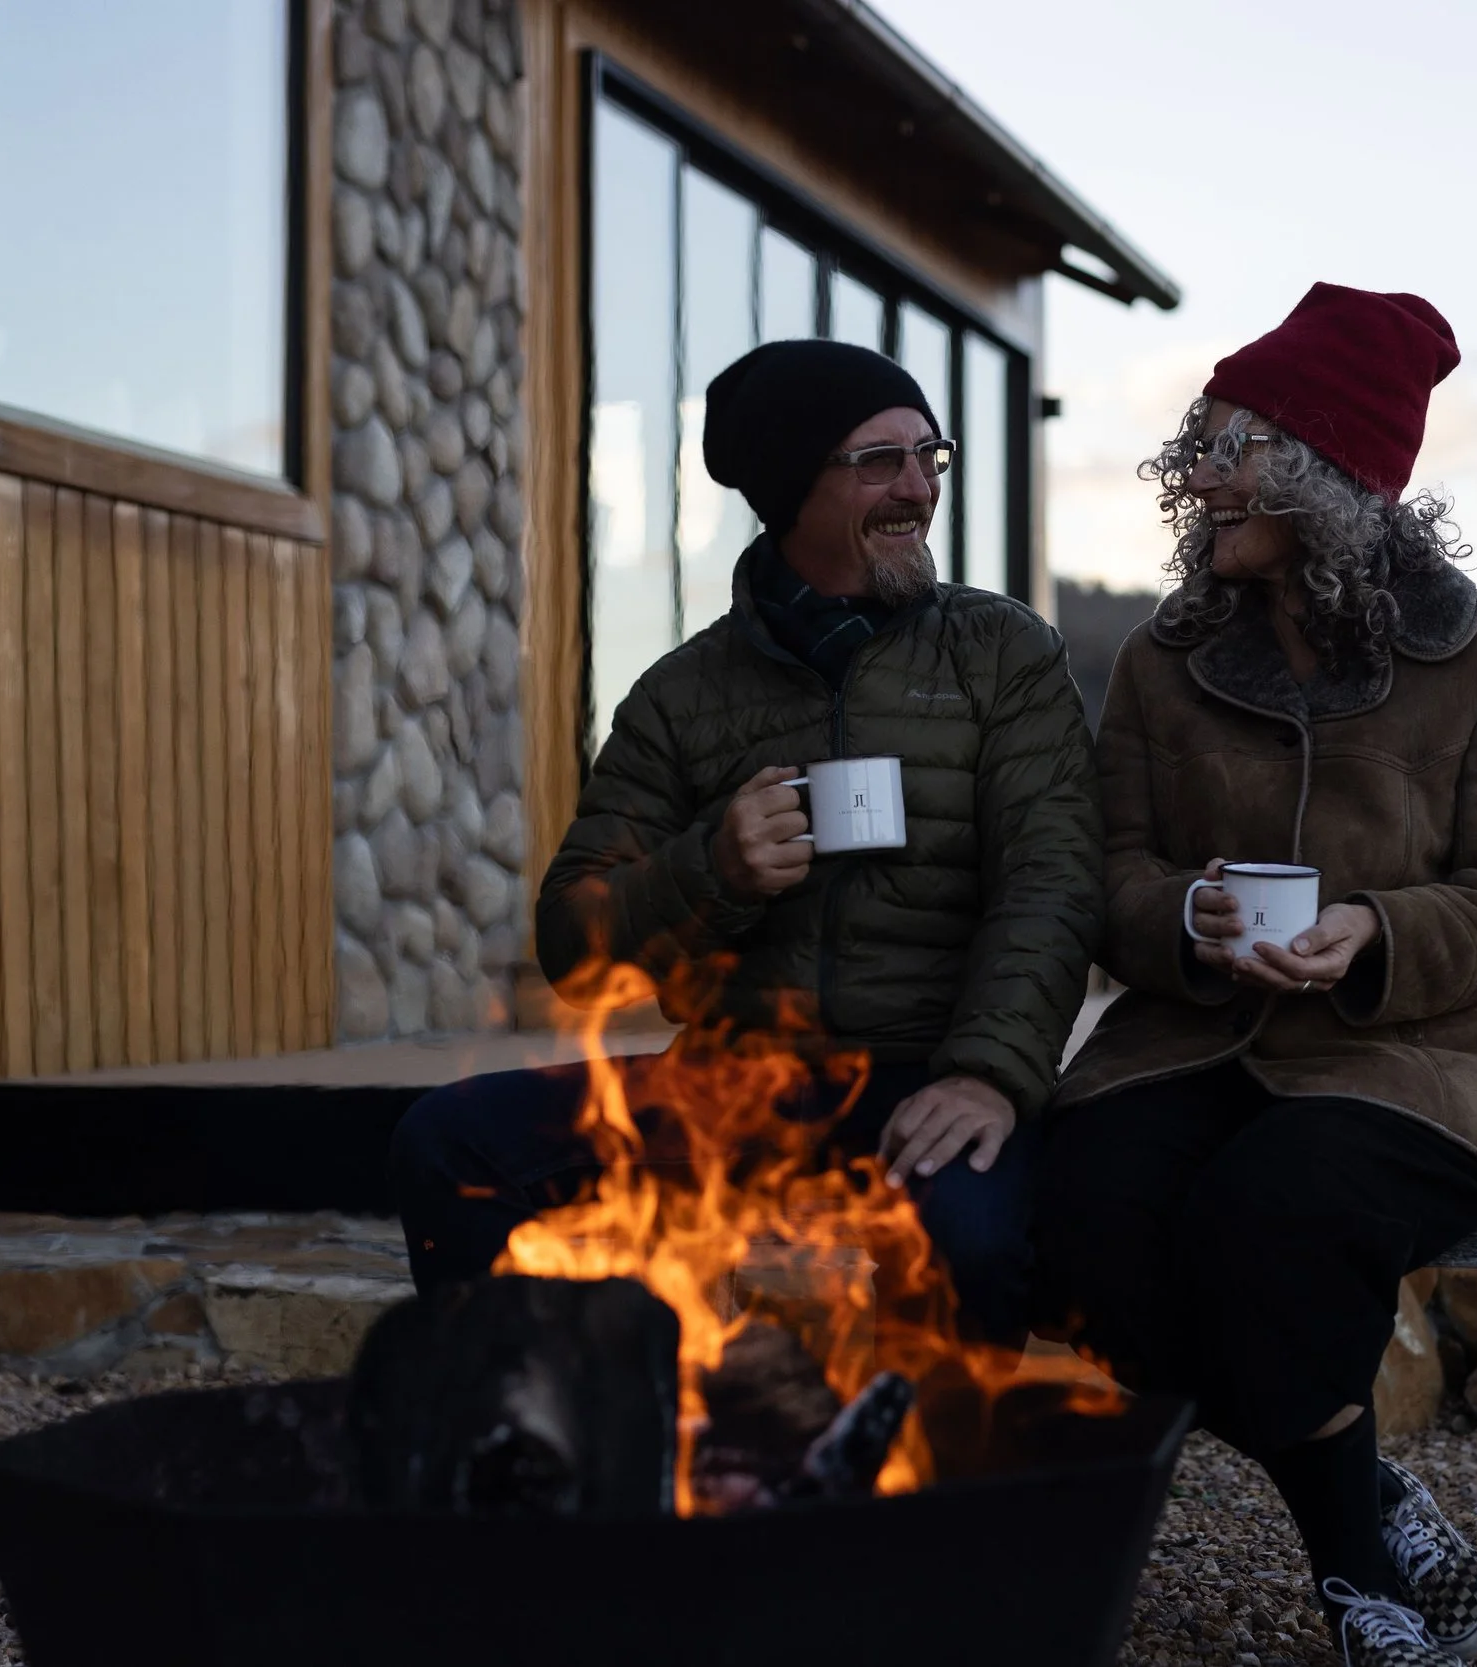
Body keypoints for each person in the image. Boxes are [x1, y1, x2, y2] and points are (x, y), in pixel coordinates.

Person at [1033, 284, 1477, 1666]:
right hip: (1186, 1038)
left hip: (1408, 1065)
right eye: (1199, 441)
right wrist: (1187, 920)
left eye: (1236, 445)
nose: (1197, 475)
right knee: (1086, 1205)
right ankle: (1364, 1502)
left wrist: (1375, 934)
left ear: (1338, 477)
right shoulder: (1164, 664)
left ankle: (1361, 1590)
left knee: (1265, 1213)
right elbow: (1111, 876)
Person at [390, 339, 1102, 1341]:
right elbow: (573, 946)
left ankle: (940, 1487)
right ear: (787, 488)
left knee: (971, 1244)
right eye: (878, 461)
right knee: (449, 1142)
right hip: (737, 1080)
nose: (916, 487)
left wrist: (986, 1072)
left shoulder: (1003, 654)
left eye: (928, 457)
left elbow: (1054, 882)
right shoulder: (681, 696)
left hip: (930, 1070)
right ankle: (543, 1429)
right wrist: (709, 871)